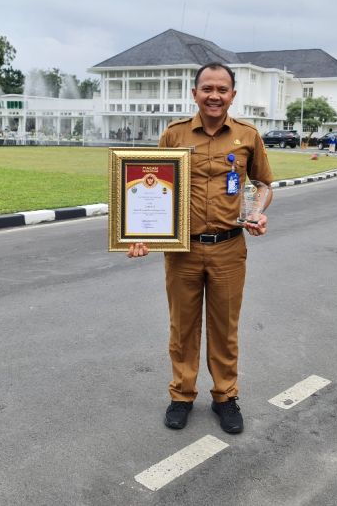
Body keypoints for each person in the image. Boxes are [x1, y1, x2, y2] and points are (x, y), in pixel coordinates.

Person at [127, 62, 273, 434]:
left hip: (228, 248)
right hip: (182, 251)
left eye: (222, 89)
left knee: (225, 328)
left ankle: (225, 397)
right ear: (194, 93)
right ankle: (182, 395)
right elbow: (150, 189)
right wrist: (141, 232)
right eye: (207, 88)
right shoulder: (174, 135)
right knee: (183, 327)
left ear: (232, 96)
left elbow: (264, 184)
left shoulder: (248, 136)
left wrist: (257, 211)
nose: (214, 95)